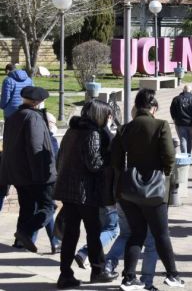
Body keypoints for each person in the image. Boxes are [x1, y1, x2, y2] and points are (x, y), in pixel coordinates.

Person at [110, 89, 185, 289]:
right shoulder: (160, 125)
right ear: (153, 107)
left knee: (136, 234)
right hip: (154, 190)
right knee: (161, 234)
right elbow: (169, 156)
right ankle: (172, 274)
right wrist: (164, 174)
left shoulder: (124, 129)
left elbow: (116, 161)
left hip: (129, 191)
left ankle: (128, 278)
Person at [53, 100, 119, 288]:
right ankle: (97, 270)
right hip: (85, 192)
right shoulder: (93, 134)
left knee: (71, 234)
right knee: (93, 230)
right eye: (107, 115)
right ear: (99, 115)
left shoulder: (72, 130)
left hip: (68, 189)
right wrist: (109, 156)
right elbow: (95, 164)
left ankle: (65, 274)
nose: (108, 119)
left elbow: (61, 158)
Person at [0, 86, 56, 254]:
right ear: (36, 102)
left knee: (27, 207)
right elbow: (36, 147)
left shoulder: (14, 116)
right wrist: (42, 175)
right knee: (48, 207)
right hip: (34, 174)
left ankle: (20, 242)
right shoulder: (34, 118)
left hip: (17, 173)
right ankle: (25, 232)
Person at [169, 85, 192, 155]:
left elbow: (172, 110)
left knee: (183, 139)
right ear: (191, 91)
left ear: (183, 90)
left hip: (180, 123)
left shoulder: (176, 99)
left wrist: (174, 119)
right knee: (189, 140)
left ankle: (184, 156)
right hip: (191, 124)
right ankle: (188, 155)